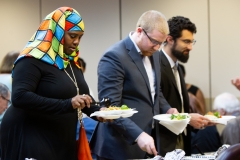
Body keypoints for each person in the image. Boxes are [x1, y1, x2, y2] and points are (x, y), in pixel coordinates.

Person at [0, 7, 101, 160]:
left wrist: (101, 113)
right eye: (72, 36)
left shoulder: (71, 62)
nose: (76, 42)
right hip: (31, 135)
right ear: (56, 32)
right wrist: (67, 104)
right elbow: (20, 97)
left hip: (60, 137)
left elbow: (83, 101)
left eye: (80, 37)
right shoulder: (31, 59)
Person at [90, 10, 178, 159]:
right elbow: (110, 110)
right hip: (118, 147)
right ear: (139, 31)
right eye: (154, 41)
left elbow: (154, 92)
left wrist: (168, 109)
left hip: (146, 143)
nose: (157, 47)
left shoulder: (155, 54)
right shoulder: (114, 57)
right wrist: (138, 135)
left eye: (161, 43)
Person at [158, 16, 212, 156]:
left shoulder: (177, 67)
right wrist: (188, 118)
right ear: (170, 39)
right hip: (163, 142)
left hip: (182, 140)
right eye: (186, 41)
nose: (190, 47)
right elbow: (157, 105)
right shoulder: (155, 65)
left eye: (192, 41)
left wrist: (199, 121)